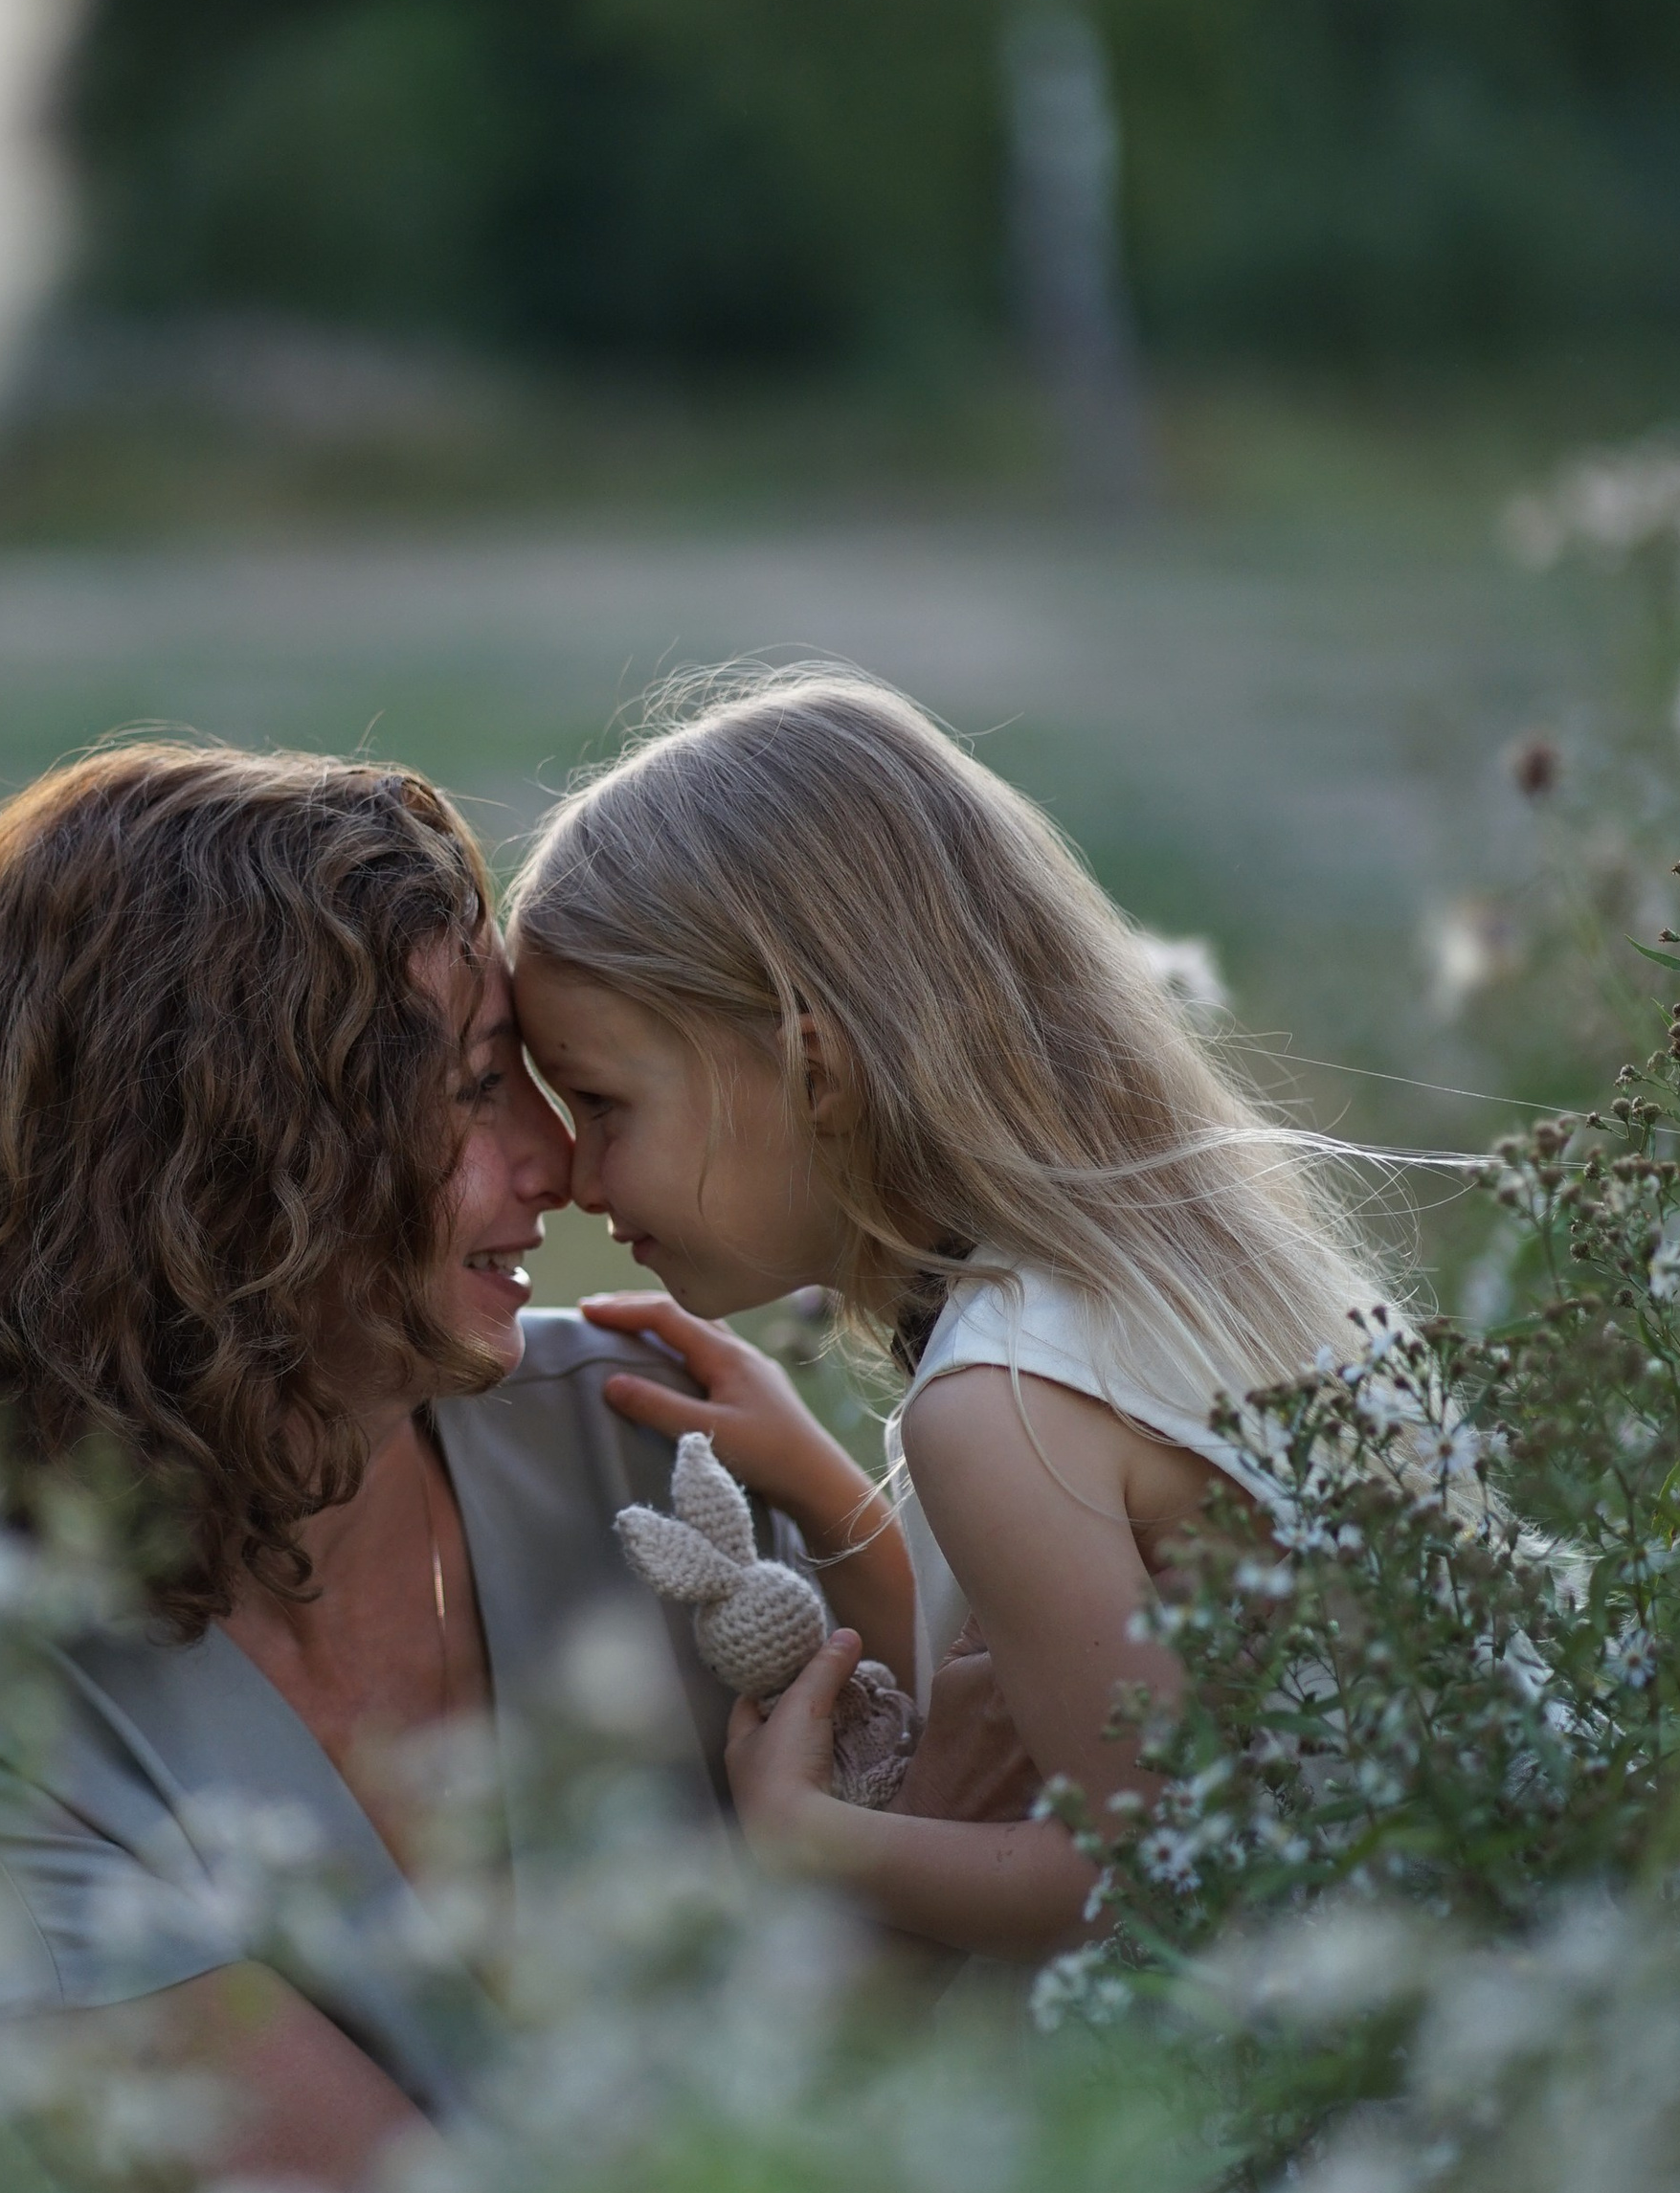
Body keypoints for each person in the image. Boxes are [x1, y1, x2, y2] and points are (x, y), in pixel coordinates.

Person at [0, 740, 917, 2185]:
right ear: (222, 1166)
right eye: (473, 1088)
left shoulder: (647, 1434)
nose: (558, 1163)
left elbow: (982, 1892)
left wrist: (851, 1523)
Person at [508, 665, 1387, 1964]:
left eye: (601, 1104)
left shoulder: (997, 1408)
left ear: (812, 1068)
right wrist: (831, 1492)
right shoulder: (1156, 1266)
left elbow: (1154, 1874)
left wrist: (804, 1835)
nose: (579, 1176)